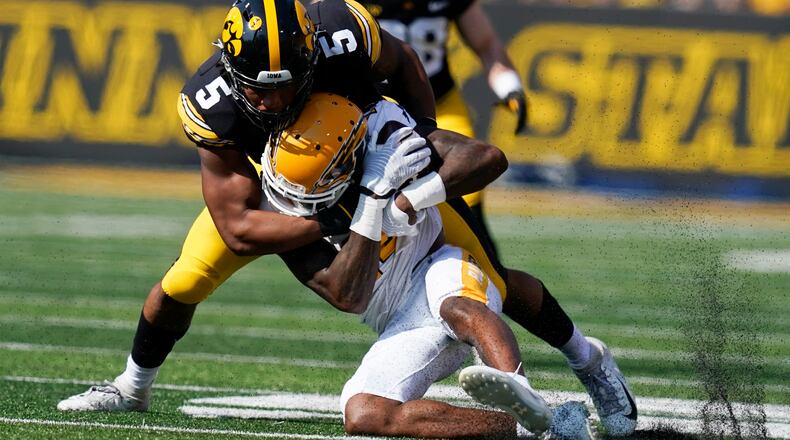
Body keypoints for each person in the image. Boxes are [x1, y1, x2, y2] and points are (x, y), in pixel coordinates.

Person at [58, 0, 637, 436]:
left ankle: (584, 364)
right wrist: (357, 211)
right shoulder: (213, 102)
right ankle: (132, 387)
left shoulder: (340, 31)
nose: (274, 103)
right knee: (183, 279)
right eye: (260, 93)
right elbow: (237, 226)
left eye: (286, 89)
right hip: (281, 192)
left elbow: (406, 62)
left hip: (364, 158)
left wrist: (412, 148)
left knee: (494, 283)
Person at [267, 92, 594, 439]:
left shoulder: (388, 139)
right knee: (364, 413)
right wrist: (373, 200)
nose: (293, 197)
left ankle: (520, 391)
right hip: (399, 320)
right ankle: (542, 428)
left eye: (310, 184)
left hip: (439, 264)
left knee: (457, 306)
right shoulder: (278, 211)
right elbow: (347, 296)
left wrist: (410, 197)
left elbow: (488, 159)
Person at [365, 0, 528, 247]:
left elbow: (486, 43)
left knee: (467, 194)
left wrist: (509, 86)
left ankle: (483, 265)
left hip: (440, 102)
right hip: (379, 107)